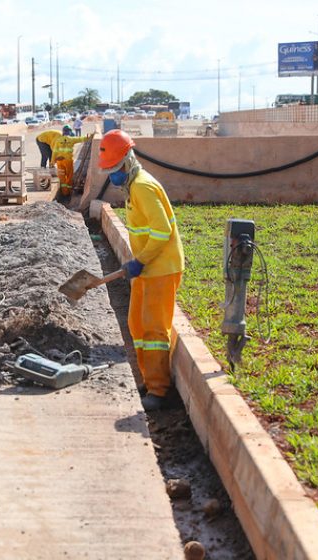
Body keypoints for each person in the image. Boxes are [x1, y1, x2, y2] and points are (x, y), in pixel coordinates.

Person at [97, 129, 184, 411]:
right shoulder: (132, 187)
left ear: (127, 162)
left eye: (113, 168)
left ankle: (160, 391)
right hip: (148, 268)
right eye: (108, 169)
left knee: (155, 329)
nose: (112, 174)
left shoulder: (143, 187)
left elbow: (162, 231)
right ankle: (149, 379)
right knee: (136, 323)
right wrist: (139, 262)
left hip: (161, 268)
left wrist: (140, 260)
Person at [52, 124, 90, 196]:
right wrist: (89, 136)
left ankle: (64, 192)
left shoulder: (58, 140)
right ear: (70, 132)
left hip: (59, 161)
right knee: (69, 176)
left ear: (63, 131)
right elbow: (81, 139)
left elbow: (55, 152)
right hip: (68, 161)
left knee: (62, 176)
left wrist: (52, 161)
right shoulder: (71, 139)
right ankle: (69, 192)